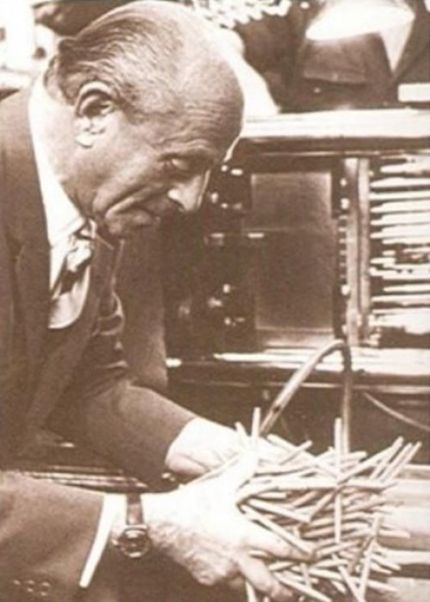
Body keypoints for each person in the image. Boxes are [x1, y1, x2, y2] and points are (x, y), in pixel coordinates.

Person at [0, 2, 308, 601]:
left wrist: (232, 455)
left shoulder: (86, 198)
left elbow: (87, 383)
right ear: (94, 112)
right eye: (181, 165)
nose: (189, 201)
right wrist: (147, 522)